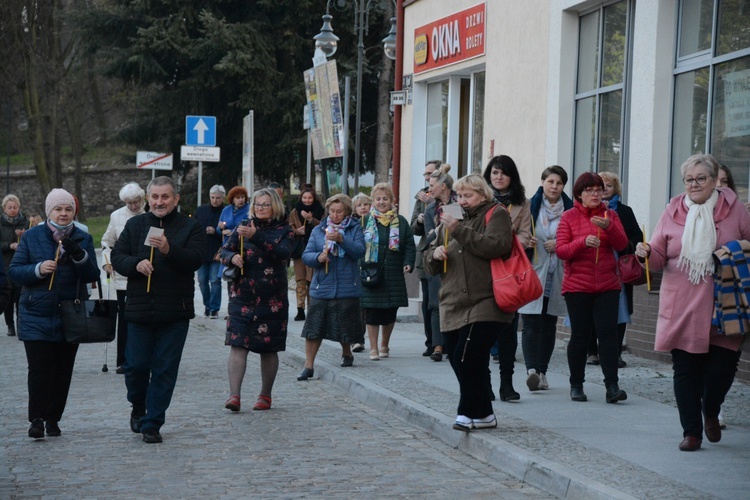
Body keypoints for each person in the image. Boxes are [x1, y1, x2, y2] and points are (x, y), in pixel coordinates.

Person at [635, 154, 750, 451]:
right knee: (685, 370)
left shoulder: (735, 210)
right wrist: (646, 252)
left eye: (701, 178)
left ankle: (711, 410)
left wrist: (734, 251)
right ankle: (691, 432)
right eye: (689, 179)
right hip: (682, 302)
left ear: (714, 181)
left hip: (724, 303)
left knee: (721, 371)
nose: (694, 184)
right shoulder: (672, 211)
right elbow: (659, 258)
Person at [111, 176, 205, 444]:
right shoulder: (135, 224)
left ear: (175, 199)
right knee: (136, 366)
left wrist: (168, 249)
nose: (160, 202)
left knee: (164, 369)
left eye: (165, 197)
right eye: (155, 197)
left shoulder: (191, 227)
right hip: (139, 311)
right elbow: (117, 256)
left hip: (175, 312)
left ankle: (153, 422)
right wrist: (136, 264)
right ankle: (138, 407)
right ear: (148, 199)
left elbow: (196, 260)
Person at [424, 174, 513, 432]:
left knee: (468, 356)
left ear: (483, 195)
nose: (462, 201)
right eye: (460, 196)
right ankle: (484, 413)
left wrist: (458, 229)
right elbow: (428, 257)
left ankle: (466, 412)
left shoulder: (496, 214)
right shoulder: (450, 217)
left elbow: (495, 246)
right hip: (453, 299)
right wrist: (435, 254)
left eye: (468, 196)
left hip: (486, 298)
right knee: (459, 358)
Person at [9, 188, 99, 439]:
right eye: (58, 209)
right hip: (36, 312)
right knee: (39, 369)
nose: (63, 213)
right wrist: (38, 269)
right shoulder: (32, 236)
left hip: (71, 313)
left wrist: (79, 255)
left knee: (62, 370)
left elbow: (92, 275)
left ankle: (53, 418)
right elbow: (15, 272)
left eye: (68, 209)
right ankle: (36, 418)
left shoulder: (82, 237)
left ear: (73, 212)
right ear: (49, 211)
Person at [556, 172, 628, 404]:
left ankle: (612, 386)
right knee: (580, 335)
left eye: (598, 189)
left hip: (607, 284)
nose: (595, 193)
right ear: (579, 193)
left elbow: (623, 245)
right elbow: (561, 250)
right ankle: (576, 385)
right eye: (589, 190)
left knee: (608, 335)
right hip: (577, 285)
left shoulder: (611, 214)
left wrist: (609, 227)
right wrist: (582, 242)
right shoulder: (568, 216)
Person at [222, 188, 293, 411]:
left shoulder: (284, 229)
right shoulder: (243, 225)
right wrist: (231, 256)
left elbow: (282, 254)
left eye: (265, 204)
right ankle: (234, 396)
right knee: (237, 344)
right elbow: (221, 252)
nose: (260, 208)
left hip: (272, 299)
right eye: (258, 204)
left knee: (268, 348)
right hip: (242, 295)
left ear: (275, 206)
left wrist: (257, 237)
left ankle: (265, 395)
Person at [298, 194, 366, 380]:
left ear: (346, 213)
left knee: (344, 323)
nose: (335, 215)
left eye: (339, 212)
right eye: (332, 211)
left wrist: (342, 239)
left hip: (346, 285)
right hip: (322, 285)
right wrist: (318, 258)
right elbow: (307, 255)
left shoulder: (353, 228)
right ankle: (308, 365)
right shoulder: (319, 230)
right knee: (314, 327)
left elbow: (360, 251)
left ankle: (347, 352)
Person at [519, 166, 573, 391]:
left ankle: (542, 371)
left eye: (559, 183)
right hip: (534, 269)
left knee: (549, 323)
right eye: (550, 182)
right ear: (542, 182)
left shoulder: (570, 209)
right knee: (531, 321)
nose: (554, 187)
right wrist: (526, 241)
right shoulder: (530, 206)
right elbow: (517, 233)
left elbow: (575, 236)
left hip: (558, 271)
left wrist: (561, 245)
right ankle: (531, 370)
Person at [482, 155, 531, 401]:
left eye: (503, 173)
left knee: (508, 331)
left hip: (508, 271)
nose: (498, 177)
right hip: (481, 270)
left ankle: (507, 384)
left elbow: (526, 236)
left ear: (512, 177)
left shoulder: (522, 203)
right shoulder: (479, 200)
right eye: (494, 173)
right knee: (482, 331)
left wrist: (506, 238)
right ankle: (486, 384)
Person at [586, 172, 641, 369]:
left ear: (615, 188)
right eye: (600, 186)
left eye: (608, 186)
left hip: (620, 268)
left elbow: (637, 235)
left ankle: (615, 353)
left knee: (620, 309)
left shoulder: (624, 211)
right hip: (594, 264)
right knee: (593, 309)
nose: (604, 190)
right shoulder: (587, 210)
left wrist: (625, 245)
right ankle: (592, 351)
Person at [360, 183, 415, 360]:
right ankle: (373, 348)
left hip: (393, 274)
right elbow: (357, 245)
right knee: (372, 312)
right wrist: (361, 264)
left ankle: (385, 345)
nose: (382, 202)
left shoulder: (401, 222)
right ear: (372, 201)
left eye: (385, 199)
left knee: (390, 312)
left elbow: (409, 245)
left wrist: (408, 262)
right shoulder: (365, 221)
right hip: (371, 273)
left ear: (392, 201)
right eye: (378, 199)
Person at [101, 182, 146, 374]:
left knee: (143, 319)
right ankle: (123, 360)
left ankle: (143, 359)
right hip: (122, 276)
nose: (134, 206)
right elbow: (106, 242)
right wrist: (107, 262)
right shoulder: (116, 216)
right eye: (130, 203)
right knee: (125, 319)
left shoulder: (150, 215)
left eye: (137, 202)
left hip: (145, 275)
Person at [423, 164, 456, 362]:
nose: (430, 189)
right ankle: (437, 345)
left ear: (443, 186)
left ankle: (451, 343)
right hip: (436, 257)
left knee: (452, 303)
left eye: (433, 185)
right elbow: (429, 237)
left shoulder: (457, 205)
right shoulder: (430, 209)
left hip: (455, 259)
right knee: (435, 303)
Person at [411, 160, 440, 356]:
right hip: (425, 253)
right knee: (428, 300)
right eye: (425, 174)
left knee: (441, 301)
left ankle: (442, 342)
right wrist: (420, 220)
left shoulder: (447, 197)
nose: (427, 177)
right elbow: (414, 228)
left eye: (430, 174)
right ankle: (431, 342)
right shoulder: (421, 197)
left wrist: (432, 206)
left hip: (444, 253)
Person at [288, 185, 325, 321]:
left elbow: (324, 226)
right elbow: (289, 228)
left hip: (314, 249)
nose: (307, 200)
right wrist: (297, 231)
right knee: (300, 280)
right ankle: (300, 309)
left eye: (310, 198)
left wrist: (311, 220)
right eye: (305, 198)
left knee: (312, 280)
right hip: (299, 250)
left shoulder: (320, 210)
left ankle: (312, 308)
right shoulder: (294, 212)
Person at [194, 184, 225, 318]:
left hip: (217, 251)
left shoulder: (225, 211)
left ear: (222, 198)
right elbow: (194, 228)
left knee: (215, 280)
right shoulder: (201, 210)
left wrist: (216, 231)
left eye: (218, 198)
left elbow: (228, 232)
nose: (215, 200)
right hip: (201, 251)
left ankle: (214, 308)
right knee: (202, 281)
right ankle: (207, 305)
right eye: (212, 197)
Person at [0, 194, 28, 337]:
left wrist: (24, 236)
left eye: (15, 207)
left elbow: (32, 239)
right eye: (9, 207)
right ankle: (10, 325)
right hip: (5, 264)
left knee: (20, 296)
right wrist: (9, 245)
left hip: (21, 264)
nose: (12, 210)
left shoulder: (25, 222)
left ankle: (20, 324)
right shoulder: (1, 223)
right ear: (4, 209)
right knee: (7, 297)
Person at [350, 192, 371, 353]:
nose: (363, 208)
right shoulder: (351, 224)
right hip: (353, 268)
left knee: (366, 306)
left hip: (370, 268)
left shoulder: (374, 222)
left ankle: (362, 338)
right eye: (359, 205)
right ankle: (357, 339)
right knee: (356, 307)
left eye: (366, 204)